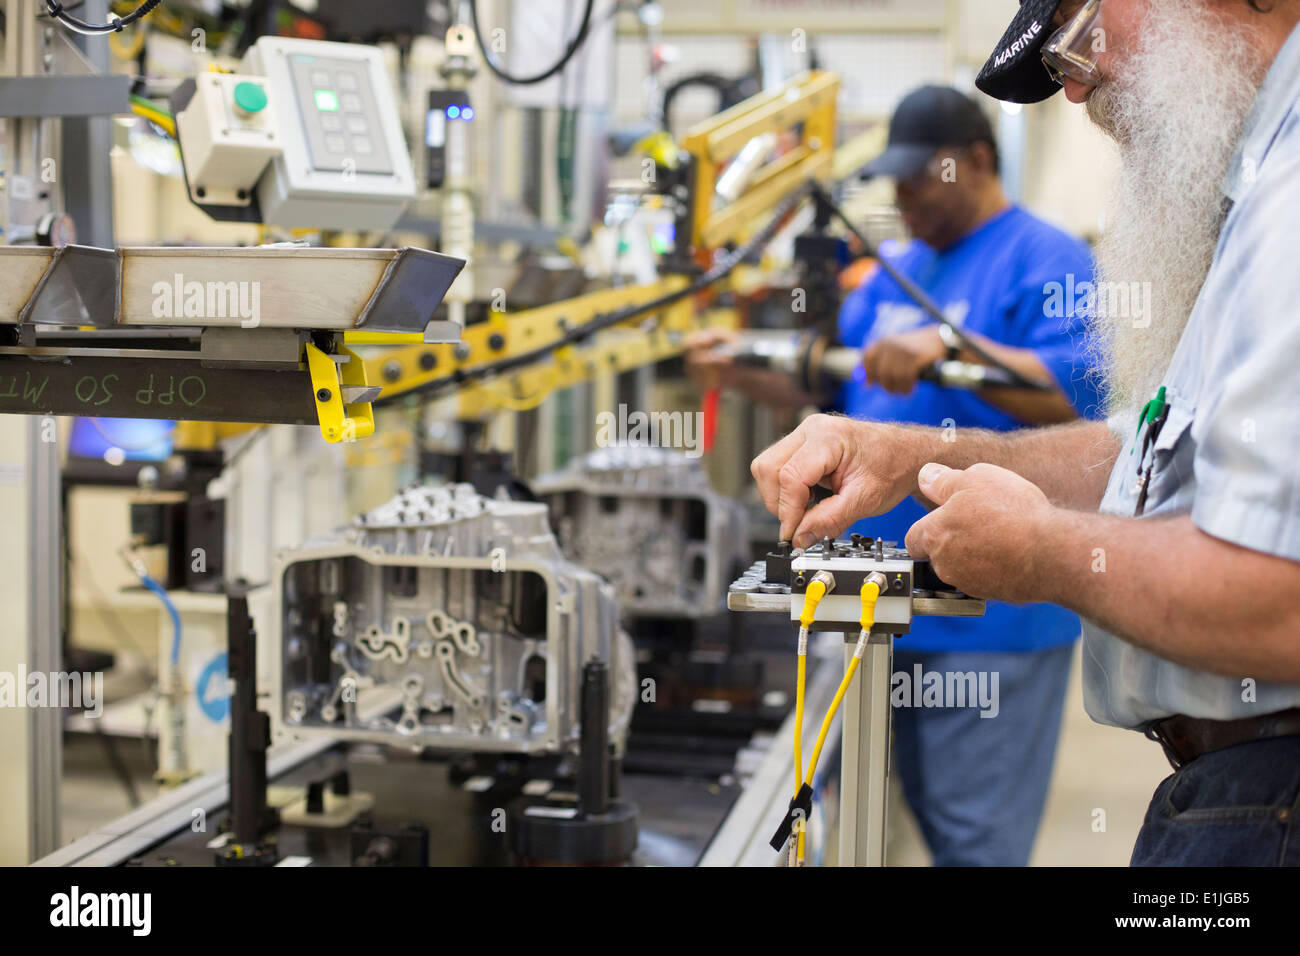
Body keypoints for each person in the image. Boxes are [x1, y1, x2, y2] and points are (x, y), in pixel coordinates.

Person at [751, 0, 1300, 866]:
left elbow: (1284, 595)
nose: (1077, 92)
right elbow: (1139, 454)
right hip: (1229, 792)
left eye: (1082, 32)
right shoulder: (1254, 199)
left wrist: (1044, 553)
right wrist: (914, 453)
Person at [689, 85, 1103, 865]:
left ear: (977, 161)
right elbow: (842, 391)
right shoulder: (897, 269)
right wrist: (742, 365)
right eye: (896, 178)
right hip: (886, 608)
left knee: (973, 840)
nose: (902, 194)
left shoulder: (1047, 257)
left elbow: (1078, 397)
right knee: (911, 813)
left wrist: (947, 344)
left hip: (993, 619)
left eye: (920, 175)